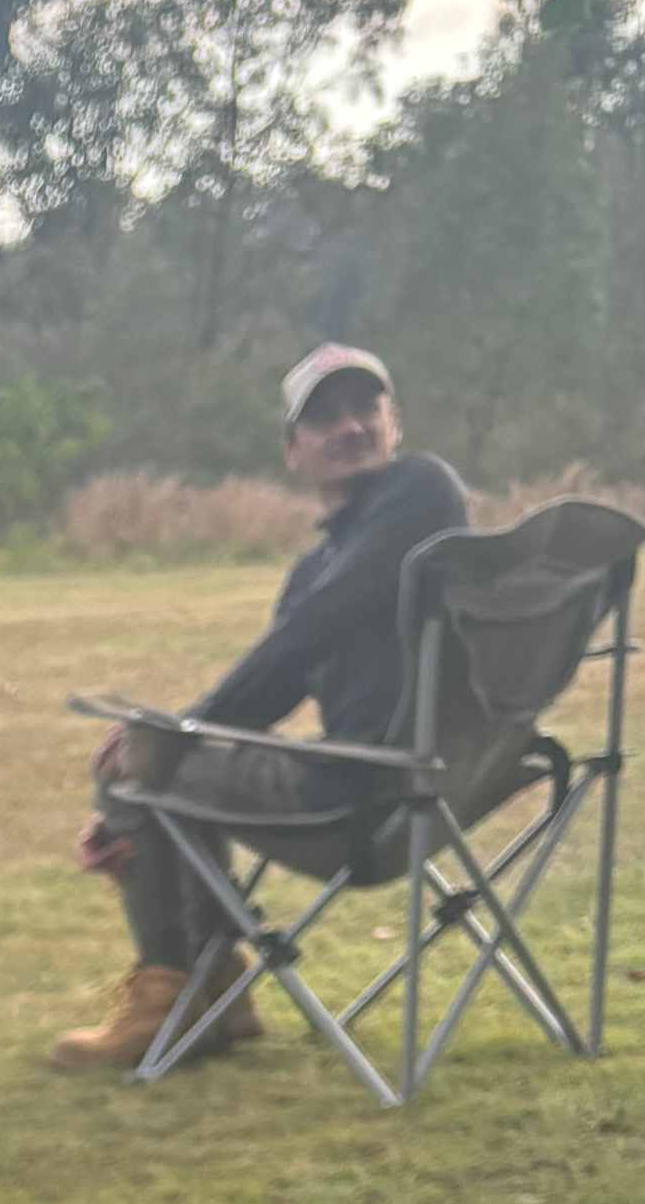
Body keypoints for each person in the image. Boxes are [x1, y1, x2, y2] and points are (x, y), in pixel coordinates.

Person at [52, 346, 473, 1071]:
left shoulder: (421, 491)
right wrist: (180, 733)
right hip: (445, 782)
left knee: (133, 770)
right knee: (159, 759)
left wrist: (159, 750)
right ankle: (214, 988)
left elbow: (318, 625)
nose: (349, 427)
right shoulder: (318, 566)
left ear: (394, 423)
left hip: (363, 794)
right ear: (293, 451)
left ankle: (177, 998)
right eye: (324, 417)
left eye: (364, 408)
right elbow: (275, 686)